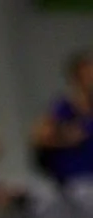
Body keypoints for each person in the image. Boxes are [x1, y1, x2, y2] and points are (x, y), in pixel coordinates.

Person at [32, 49, 93, 185]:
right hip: (76, 181)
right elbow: (40, 137)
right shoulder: (64, 106)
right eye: (88, 73)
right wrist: (68, 135)